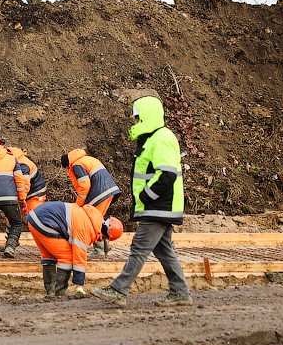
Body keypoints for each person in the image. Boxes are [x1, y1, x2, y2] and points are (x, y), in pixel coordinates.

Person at [92, 95, 192, 307]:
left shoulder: (161, 138)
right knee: (164, 250)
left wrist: (146, 196)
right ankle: (180, 293)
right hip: (161, 206)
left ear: (147, 116)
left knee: (139, 247)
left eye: (137, 118)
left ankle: (119, 290)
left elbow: (166, 175)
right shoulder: (155, 138)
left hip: (159, 206)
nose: (135, 123)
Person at [26, 200, 106, 296]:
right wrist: (79, 285)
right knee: (67, 258)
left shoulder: (87, 217)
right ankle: (60, 292)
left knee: (49, 256)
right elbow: (79, 255)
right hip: (46, 221)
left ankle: (50, 292)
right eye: (104, 238)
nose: (101, 240)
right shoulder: (87, 227)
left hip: (34, 219)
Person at [61, 149, 121, 257]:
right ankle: (105, 246)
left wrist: (79, 205)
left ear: (67, 165)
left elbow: (84, 186)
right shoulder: (86, 159)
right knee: (99, 219)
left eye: (66, 168)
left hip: (99, 193)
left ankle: (99, 251)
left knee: (92, 221)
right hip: (109, 191)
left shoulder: (76, 165)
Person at [7, 146, 47, 213]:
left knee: (34, 218)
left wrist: (21, 200)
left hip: (35, 195)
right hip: (23, 194)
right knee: (12, 217)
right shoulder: (14, 161)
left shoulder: (22, 165)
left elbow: (25, 185)